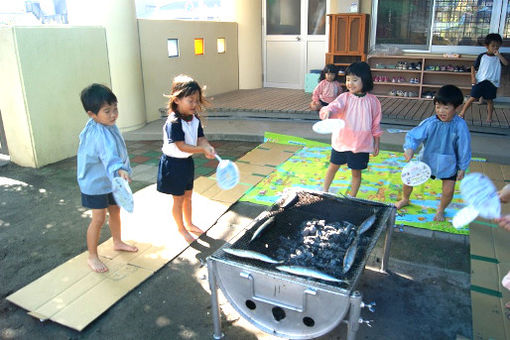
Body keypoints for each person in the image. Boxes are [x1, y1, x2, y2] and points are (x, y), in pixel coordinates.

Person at [77, 83, 138, 273]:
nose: (113, 114)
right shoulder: (98, 132)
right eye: (107, 111)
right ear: (92, 114)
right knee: (98, 218)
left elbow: (119, 150)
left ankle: (117, 241)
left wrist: (123, 169)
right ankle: (92, 256)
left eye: (115, 109)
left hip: (111, 180)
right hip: (95, 183)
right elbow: (108, 155)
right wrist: (120, 169)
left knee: (115, 210)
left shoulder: (107, 124)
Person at [395, 85, 472, 221]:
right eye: (437, 106)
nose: (441, 111)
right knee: (408, 179)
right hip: (426, 161)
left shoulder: (460, 126)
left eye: (446, 107)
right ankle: (405, 199)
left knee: (448, 191)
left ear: (457, 108)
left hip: (449, 164)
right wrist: (410, 148)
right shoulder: (430, 123)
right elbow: (413, 135)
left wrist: (462, 167)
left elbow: (464, 148)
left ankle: (441, 210)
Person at [157, 75, 216, 243]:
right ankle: (181, 227)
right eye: (190, 101)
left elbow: (200, 138)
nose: (195, 104)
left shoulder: (194, 119)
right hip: (173, 164)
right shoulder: (173, 122)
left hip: (186, 163)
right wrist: (202, 149)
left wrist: (207, 146)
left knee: (188, 196)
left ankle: (189, 223)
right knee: (178, 198)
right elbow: (181, 146)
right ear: (176, 100)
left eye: (197, 101)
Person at [319, 61, 382, 197]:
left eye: (354, 80)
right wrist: (327, 112)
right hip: (342, 141)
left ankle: (352, 197)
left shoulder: (373, 101)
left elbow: (376, 124)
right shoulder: (344, 97)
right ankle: (324, 190)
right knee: (333, 166)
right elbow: (334, 106)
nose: (350, 83)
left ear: (365, 80)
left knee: (356, 173)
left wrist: (376, 142)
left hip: (361, 144)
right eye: (348, 79)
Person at [459, 33, 509, 123]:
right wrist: (473, 78)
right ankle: (462, 113)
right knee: (472, 97)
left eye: (497, 46)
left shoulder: (499, 57)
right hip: (480, 80)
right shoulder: (482, 56)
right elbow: (473, 67)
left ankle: (489, 117)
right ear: (487, 46)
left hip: (492, 82)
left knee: (490, 100)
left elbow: (506, 63)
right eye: (493, 46)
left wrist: (499, 55)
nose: (495, 48)